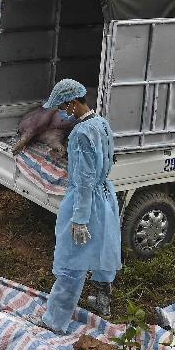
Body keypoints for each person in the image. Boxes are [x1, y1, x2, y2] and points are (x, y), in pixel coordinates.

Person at [37, 78, 121, 332]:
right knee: (103, 247)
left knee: (72, 261)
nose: (61, 114)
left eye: (62, 107)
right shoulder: (101, 124)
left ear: (73, 103)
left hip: (86, 201)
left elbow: (84, 181)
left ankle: (55, 320)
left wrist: (80, 217)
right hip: (105, 196)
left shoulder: (81, 133)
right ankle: (102, 299)